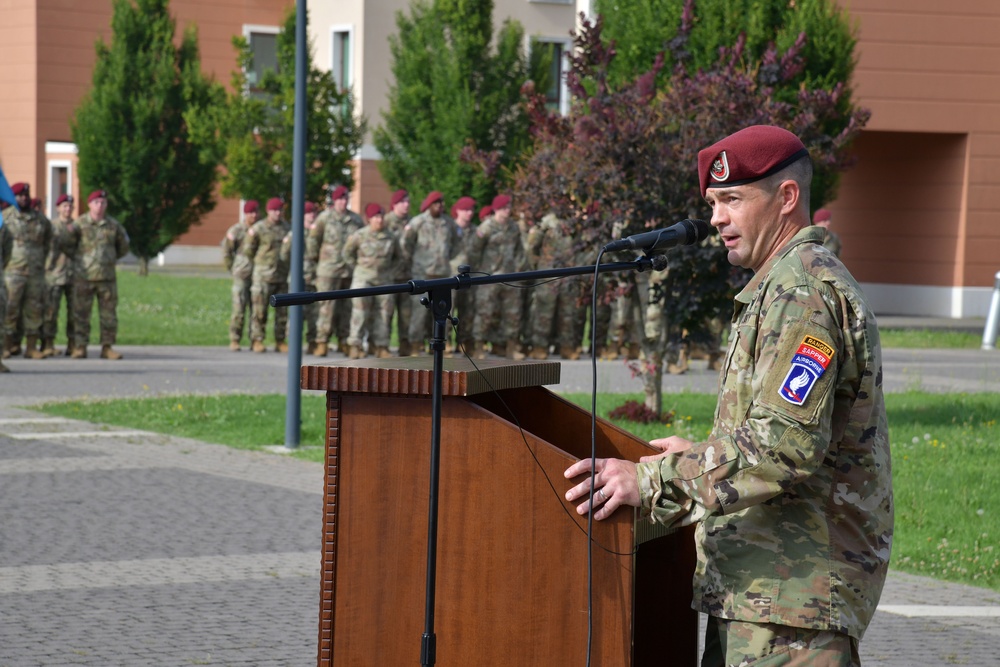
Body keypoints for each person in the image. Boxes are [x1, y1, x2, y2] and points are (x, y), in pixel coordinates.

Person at [565, 125, 893, 666]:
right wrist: (695, 455)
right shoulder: (781, 284)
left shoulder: (802, 292)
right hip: (767, 592)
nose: (716, 217)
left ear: (787, 198)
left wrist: (650, 480)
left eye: (732, 199)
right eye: (713, 202)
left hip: (792, 604)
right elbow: (784, 434)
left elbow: (782, 447)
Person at [71, 189, 130, 359]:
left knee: (108, 315)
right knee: (81, 313)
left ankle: (107, 347)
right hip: (84, 277)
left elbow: (123, 247)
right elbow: (68, 245)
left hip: (107, 278)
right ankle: (80, 346)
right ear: (89, 204)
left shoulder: (114, 225)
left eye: (103, 202)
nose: (100, 205)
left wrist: (109, 258)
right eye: (96, 202)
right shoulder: (80, 224)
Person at [400, 190, 461, 354]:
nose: (440, 206)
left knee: (442, 311)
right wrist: (414, 261)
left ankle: (439, 344)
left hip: (443, 274)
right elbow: (406, 244)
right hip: (422, 274)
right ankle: (415, 344)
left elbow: (457, 244)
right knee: (419, 313)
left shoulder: (448, 223)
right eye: (436, 203)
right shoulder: (418, 222)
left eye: (441, 203)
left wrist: (450, 261)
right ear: (429, 205)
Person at [469, 194, 527, 360]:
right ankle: (479, 347)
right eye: (503, 208)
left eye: (508, 208)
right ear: (495, 209)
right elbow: (474, 250)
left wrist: (518, 269)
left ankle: (510, 347)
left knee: (513, 313)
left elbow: (519, 250)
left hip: (509, 276)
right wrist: (477, 273)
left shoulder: (513, 227)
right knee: (484, 312)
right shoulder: (486, 227)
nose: (506, 211)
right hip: (489, 276)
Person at [308, 185, 363, 357]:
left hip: (348, 271)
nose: (343, 202)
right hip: (328, 270)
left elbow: (360, 242)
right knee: (326, 308)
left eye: (345, 198)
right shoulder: (324, 218)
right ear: (334, 200)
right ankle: (322, 341)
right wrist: (319, 260)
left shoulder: (355, 220)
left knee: (346, 308)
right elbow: (313, 242)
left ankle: (343, 340)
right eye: (339, 198)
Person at [342, 203, 400, 359]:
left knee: (384, 313)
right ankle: (355, 345)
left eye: (381, 216)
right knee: (360, 311)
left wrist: (389, 271)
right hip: (363, 278)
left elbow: (398, 257)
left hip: (384, 279)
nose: (379, 220)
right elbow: (347, 254)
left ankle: (381, 346)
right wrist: (359, 268)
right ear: (369, 219)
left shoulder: (391, 236)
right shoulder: (359, 235)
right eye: (375, 217)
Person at [3, 182, 52, 360]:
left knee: (34, 311)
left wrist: (40, 261)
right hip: (13, 272)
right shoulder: (6, 217)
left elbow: (47, 242)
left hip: (35, 273)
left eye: (26, 195)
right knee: (10, 310)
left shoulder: (40, 219)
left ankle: (31, 347)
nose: (24, 198)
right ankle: (7, 346)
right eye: (20, 196)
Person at [243, 197, 291, 353]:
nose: (277, 213)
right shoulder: (259, 228)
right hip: (262, 276)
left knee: (282, 313)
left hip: (281, 275)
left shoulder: (287, 228)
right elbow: (249, 250)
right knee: (259, 310)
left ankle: (280, 340)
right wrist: (262, 263)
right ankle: (257, 340)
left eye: (280, 210)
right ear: (268, 211)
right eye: (274, 210)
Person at [42, 194, 78, 357]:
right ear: (58, 208)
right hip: (54, 274)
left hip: (74, 274)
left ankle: (73, 344)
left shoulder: (77, 227)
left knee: (75, 312)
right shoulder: (51, 226)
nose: (68, 209)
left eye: (70, 206)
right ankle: (48, 343)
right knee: (51, 311)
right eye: (64, 206)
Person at [222, 200, 258, 351]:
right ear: (245, 214)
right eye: (250, 212)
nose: (254, 215)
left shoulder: (259, 229)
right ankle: (235, 339)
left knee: (256, 310)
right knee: (239, 308)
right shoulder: (236, 230)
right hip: (241, 275)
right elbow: (227, 252)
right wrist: (233, 269)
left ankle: (255, 340)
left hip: (257, 275)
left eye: (256, 212)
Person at [383, 189, 413, 355]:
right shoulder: (385, 221)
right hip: (389, 276)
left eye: (408, 202)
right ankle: (383, 345)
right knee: (386, 313)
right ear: (395, 204)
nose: (406, 205)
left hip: (407, 275)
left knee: (406, 314)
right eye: (403, 202)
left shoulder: (412, 223)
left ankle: (405, 345)